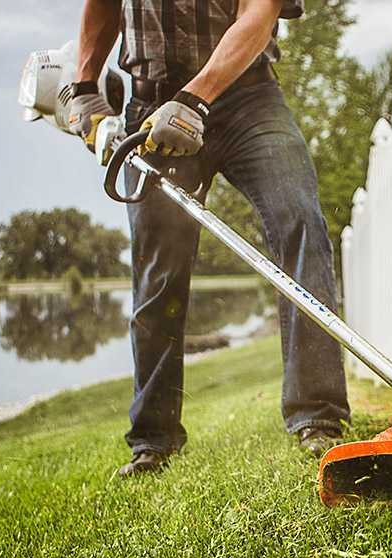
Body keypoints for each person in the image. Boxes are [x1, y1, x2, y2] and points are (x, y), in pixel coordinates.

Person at [67, 0, 350, 475]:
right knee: (159, 269)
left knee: (298, 220)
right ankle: (153, 440)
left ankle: (317, 418)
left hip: (248, 99)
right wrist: (82, 86)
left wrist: (195, 97)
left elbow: (259, 15)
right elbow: (103, 7)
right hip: (151, 102)